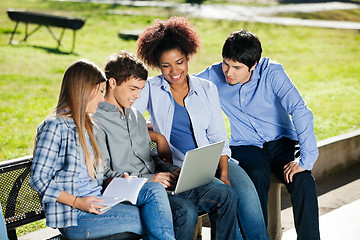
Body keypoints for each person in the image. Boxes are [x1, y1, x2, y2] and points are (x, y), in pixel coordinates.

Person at [133, 16, 268, 239]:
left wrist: (224, 172)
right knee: (226, 196)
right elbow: (129, 121)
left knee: (249, 198)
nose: (174, 71)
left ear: (188, 58)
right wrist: (157, 137)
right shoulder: (151, 88)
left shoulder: (206, 88)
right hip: (182, 166)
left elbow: (217, 135)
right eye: (165, 65)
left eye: (179, 62)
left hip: (213, 158)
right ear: (158, 65)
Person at [93, 50, 240, 240]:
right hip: (134, 194)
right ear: (112, 83)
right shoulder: (97, 123)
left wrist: (172, 171)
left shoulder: (135, 116)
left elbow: (149, 157)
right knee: (184, 211)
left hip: (160, 186)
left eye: (140, 89)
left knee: (225, 194)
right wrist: (151, 179)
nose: (138, 96)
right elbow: (104, 177)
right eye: (133, 89)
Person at [29, 59, 175, 240]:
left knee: (155, 196)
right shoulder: (55, 126)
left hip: (100, 203)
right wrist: (78, 202)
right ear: (83, 90)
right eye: (99, 91)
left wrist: (122, 180)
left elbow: (97, 176)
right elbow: (38, 179)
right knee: (158, 219)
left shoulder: (88, 125)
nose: (101, 98)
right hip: (75, 216)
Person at [196, 29, 320, 239]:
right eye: (226, 63)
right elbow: (180, 88)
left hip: (284, 143)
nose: (228, 72)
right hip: (246, 145)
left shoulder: (272, 72)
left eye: (237, 67)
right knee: (256, 175)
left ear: (253, 65)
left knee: (304, 181)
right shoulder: (212, 75)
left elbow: (300, 110)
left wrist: (306, 160)